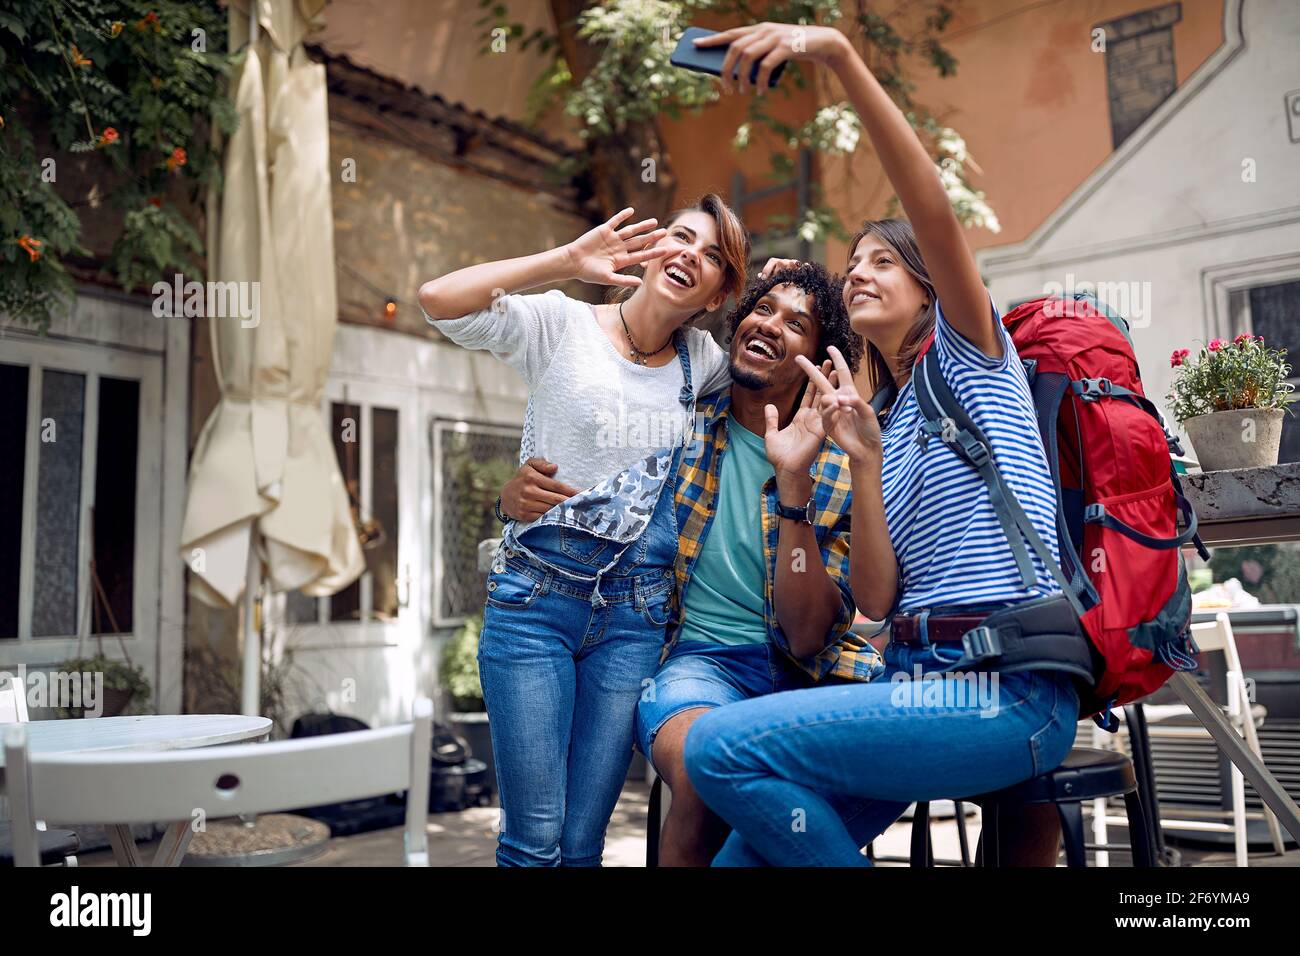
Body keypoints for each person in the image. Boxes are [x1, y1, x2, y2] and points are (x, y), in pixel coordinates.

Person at [681, 22, 1082, 866]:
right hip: (910, 688)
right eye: (854, 262)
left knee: (718, 748)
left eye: (881, 262)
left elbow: (929, 201)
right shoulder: (887, 425)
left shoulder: (973, 355)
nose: (858, 271)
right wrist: (856, 467)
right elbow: (874, 594)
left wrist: (837, 55)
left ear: (929, 284)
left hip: (1006, 691)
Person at [506, 261, 889, 867]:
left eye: (798, 324)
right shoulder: (675, 425)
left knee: (870, 765)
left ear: (819, 356)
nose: (771, 325)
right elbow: (582, 464)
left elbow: (808, 635)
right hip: (696, 667)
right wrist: (509, 499)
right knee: (705, 764)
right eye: (762, 310)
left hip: (812, 676)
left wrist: (794, 487)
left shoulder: (844, 465)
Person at [418, 195, 748, 866]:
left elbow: (785, 376)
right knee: (533, 841)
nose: (691, 254)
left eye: (713, 255)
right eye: (681, 236)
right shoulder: (561, 324)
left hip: (634, 620)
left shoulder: (705, 363)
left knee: (580, 845)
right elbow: (437, 298)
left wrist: (786, 283)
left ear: (716, 294)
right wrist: (567, 260)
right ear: (652, 251)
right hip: (534, 605)